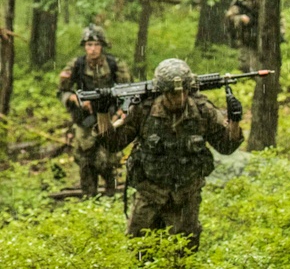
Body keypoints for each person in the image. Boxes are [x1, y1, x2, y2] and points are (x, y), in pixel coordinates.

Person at [100, 58, 244, 252]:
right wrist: (102, 113)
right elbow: (113, 144)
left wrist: (234, 121)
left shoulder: (202, 110)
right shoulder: (144, 110)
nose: (179, 97)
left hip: (186, 197)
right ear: (162, 92)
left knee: (184, 255)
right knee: (139, 252)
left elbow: (226, 146)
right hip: (149, 194)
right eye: (173, 93)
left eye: (183, 91)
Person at [57, 24, 131, 197]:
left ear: (102, 46)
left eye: (96, 45)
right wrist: (77, 99)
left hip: (110, 117)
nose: (92, 49)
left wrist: (120, 114)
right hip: (85, 119)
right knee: (84, 158)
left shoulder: (115, 65)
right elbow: (62, 92)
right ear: (84, 46)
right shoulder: (76, 65)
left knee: (108, 159)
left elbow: (127, 93)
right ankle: (89, 197)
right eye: (89, 45)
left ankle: (110, 193)